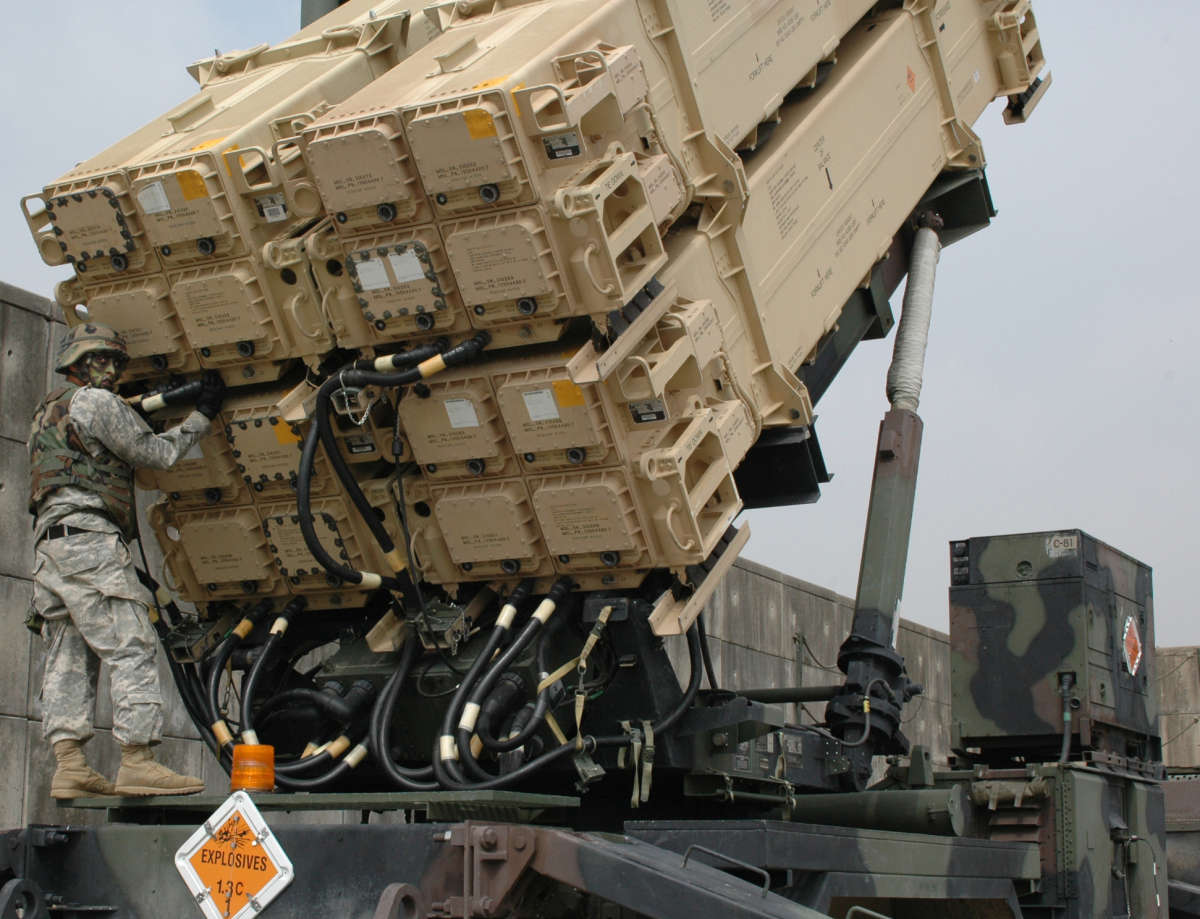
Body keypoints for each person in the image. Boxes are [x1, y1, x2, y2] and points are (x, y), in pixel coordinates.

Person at [28, 322, 226, 799]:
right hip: (89, 540)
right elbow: (152, 453)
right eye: (102, 359)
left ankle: (70, 764)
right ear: (77, 362)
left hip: (50, 548)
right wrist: (201, 416)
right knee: (131, 640)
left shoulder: (46, 411)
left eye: (116, 361)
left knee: (69, 654)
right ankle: (138, 759)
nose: (112, 369)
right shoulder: (96, 403)